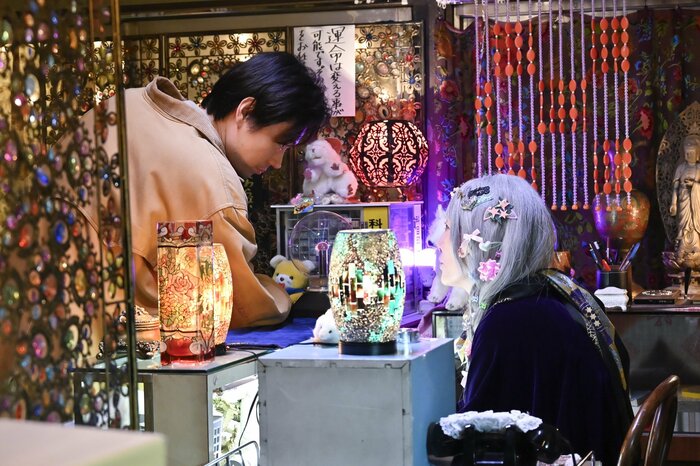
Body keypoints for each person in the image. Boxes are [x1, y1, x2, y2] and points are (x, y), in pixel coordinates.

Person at [57, 52, 330, 328]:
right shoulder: (213, 178)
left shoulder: (128, 103)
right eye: (281, 144)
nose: (278, 162)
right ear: (245, 111)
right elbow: (239, 305)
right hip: (89, 326)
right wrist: (281, 296)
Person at [436, 174, 633, 466]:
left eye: (448, 228)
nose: (439, 243)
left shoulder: (510, 322)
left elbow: (481, 440)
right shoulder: (547, 292)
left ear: (483, 241)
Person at [670, 134, 700, 262]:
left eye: (691, 153)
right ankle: (682, 248)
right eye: (686, 153)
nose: (687, 156)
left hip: (696, 203)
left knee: (694, 224)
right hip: (683, 200)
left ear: (697, 154)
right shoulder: (681, 168)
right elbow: (675, 187)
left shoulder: (699, 168)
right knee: (683, 226)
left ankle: (696, 246)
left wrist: (694, 185)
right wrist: (673, 203)